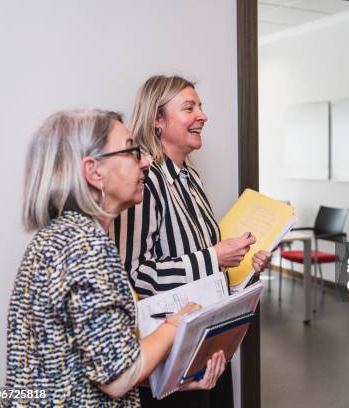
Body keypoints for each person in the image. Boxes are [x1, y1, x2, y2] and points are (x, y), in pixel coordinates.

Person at [3, 109, 225, 407]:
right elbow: (117, 376)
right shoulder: (86, 246)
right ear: (94, 172)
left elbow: (91, 364)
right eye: (133, 151)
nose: (146, 161)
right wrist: (179, 323)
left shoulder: (60, 237)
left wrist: (171, 377)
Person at [111, 75, 272, 408]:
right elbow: (131, 274)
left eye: (200, 106)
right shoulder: (144, 181)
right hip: (169, 357)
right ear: (158, 120)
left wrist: (245, 265)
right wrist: (213, 257)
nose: (203, 115)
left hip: (208, 343)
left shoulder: (191, 176)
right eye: (189, 107)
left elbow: (206, 264)